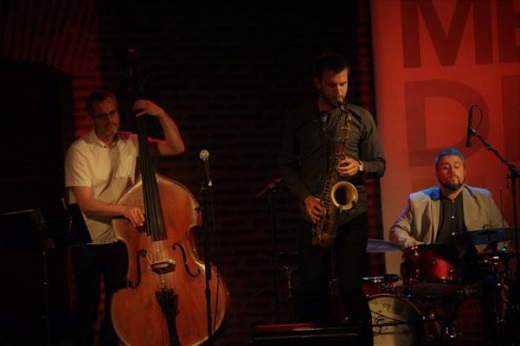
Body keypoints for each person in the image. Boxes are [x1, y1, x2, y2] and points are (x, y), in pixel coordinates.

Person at [279, 52, 386, 345]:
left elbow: (380, 164)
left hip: (352, 216)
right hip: (314, 215)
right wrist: (305, 198)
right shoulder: (298, 118)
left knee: (351, 287)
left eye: (343, 84)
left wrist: (360, 166)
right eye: (331, 85)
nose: (339, 91)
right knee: (313, 289)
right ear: (317, 83)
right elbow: (286, 165)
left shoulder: (361, 117)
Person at [64, 90, 185, 346]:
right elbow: (85, 202)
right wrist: (124, 210)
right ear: (92, 118)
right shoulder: (80, 151)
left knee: (116, 307)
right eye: (102, 116)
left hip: (121, 238)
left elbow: (176, 147)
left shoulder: (131, 142)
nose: (110, 121)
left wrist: (159, 113)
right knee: (87, 308)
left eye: (113, 113)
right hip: (89, 240)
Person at [389, 147, 510, 345]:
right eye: (445, 167)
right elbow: (396, 230)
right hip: (436, 269)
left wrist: (498, 254)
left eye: (457, 166)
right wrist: (415, 245)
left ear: (465, 171)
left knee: (493, 286)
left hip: (474, 269)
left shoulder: (483, 198)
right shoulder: (419, 200)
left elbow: (503, 233)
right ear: (437, 173)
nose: (452, 171)